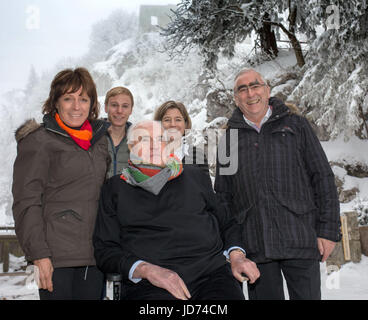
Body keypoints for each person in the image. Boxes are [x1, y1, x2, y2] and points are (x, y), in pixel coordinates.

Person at [93, 120, 260, 300]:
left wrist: (236, 255)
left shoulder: (195, 177)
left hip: (212, 276)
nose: (154, 146)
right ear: (131, 146)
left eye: (159, 139)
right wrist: (146, 270)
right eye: (144, 140)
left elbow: (227, 223)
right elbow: (106, 249)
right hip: (150, 283)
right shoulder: (115, 189)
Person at [214, 68, 341, 300]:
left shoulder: (296, 126)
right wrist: (234, 247)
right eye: (242, 89)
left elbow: (322, 177)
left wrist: (329, 231)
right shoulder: (229, 141)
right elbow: (223, 198)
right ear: (236, 98)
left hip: (300, 238)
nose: (250, 93)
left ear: (267, 90)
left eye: (255, 86)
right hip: (255, 247)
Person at [12, 67, 110, 300]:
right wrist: (39, 255)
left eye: (83, 99)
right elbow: (26, 202)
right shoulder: (38, 141)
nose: (76, 106)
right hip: (56, 258)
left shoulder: (99, 141)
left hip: (95, 256)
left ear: (92, 103)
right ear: (55, 102)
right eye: (68, 98)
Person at [154, 100, 209, 176]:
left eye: (178, 120)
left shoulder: (197, 155)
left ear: (186, 124)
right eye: (167, 120)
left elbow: (205, 187)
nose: (173, 124)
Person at [104, 86, 134, 178]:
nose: (119, 111)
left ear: (131, 110)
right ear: (106, 108)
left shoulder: (138, 139)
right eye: (114, 105)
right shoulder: (93, 135)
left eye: (125, 106)